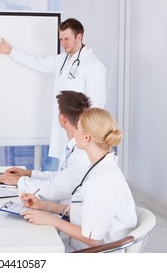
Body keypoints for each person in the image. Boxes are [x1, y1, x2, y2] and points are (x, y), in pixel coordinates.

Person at [0, 18, 106, 161]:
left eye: (67, 39)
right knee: (64, 173)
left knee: (77, 173)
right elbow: (38, 63)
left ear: (79, 37)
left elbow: (96, 107)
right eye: (61, 39)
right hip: (66, 131)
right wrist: (11, 52)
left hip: (81, 137)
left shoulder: (93, 66)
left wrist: (84, 135)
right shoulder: (63, 59)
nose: (63, 43)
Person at [20, 108, 136, 252]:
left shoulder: (103, 180)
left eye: (77, 128)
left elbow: (93, 240)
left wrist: (50, 220)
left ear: (87, 137)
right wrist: (42, 205)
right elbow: (81, 210)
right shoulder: (98, 167)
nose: (74, 132)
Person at [0, 90, 91, 203]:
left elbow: (55, 189)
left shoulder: (81, 153)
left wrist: (19, 181)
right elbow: (61, 178)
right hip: (62, 206)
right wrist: (29, 174)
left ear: (63, 118)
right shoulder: (73, 145)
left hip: (68, 213)